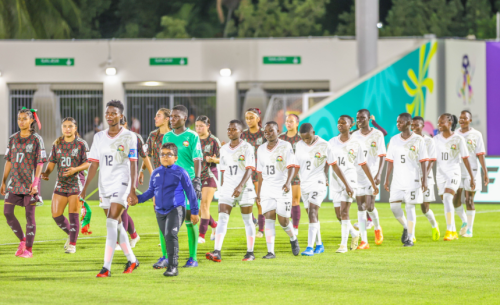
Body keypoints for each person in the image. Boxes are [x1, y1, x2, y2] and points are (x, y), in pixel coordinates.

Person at [80, 100, 139, 277]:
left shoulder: (130, 136)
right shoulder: (98, 137)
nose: (110, 116)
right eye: (107, 113)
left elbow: (134, 165)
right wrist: (84, 189)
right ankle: (132, 260)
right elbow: (93, 165)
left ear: (121, 115)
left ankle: (106, 267)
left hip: (122, 182)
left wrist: (133, 189)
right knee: (118, 225)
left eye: (114, 113)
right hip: (104, 184)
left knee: (111, 222)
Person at [129, 143, 199, 277]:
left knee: (170, 235)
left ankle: (173, 267)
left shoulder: (181, 172)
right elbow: (151, 192)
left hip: (176, 209)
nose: (165, 157)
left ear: (176, 157)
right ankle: (169, 262)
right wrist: (138, 199)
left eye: (169, 154)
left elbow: (191, 193)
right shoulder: (156, 173)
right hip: (160, 211)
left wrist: (194, 212)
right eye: (162, 154)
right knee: (167, 237)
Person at [296, 123, 353, 256]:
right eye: (303, 138)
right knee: (312, 216)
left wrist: (347, 185)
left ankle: (310, 248)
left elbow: (335, 166)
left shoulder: (325, 145)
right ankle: (319, 244)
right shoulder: (299, 145)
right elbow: (297, 165)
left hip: (318, 183)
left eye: (308, 138)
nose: (306, 141)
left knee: (312, 213)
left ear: (314, 132)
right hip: (304, 184)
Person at [205, 120, 257, 262]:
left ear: (241, 132)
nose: (230, 131)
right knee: (222, 219)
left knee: (247, 220)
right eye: (229, 129)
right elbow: (223, 170)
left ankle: (250, 252)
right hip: (228, 188)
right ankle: (217, 252)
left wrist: (240, 186)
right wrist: (222, 188)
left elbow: (249, 169)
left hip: (245, 188)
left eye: (234, 129)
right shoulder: (223, 149)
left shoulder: (247, 147)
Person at [328, 115, 379, 252]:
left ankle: (343, 245)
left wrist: (373, 184)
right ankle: (355, 233)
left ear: (351, 125)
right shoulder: (331, 142)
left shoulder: (357, 143)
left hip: (350, 179)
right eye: (338, 122)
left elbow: (363, 164)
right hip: (335, 181)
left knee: (345, 212)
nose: (340, 124)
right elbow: (328, 162)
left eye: (343, 123)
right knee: (339, 214)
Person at [1, 107, 46, 258]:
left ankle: (29, 250)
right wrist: (3, 181)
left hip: (29, 183)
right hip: (14, 182)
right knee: (7, 212)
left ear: (31, 120)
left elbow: (40, 163)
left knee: (29, 216)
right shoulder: (12, 138)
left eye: (24, 119)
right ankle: (22, 240)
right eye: (19, 118)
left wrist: (35, 183)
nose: (21, 121)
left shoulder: (36, 139)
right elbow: (8, 161)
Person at [162, 105, 203, 267]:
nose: (172, 119)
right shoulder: (166, 137)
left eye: (176, 117)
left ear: (185, 118)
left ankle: (193, 258)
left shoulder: (192, 136)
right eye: (171, 116)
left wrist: (197, 180)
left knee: (190, 218)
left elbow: (197, 159)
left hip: (187, 183)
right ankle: (166, 256)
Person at [41, 117, 90, 254]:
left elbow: (88, 163)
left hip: (76, 183)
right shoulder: (57, 143)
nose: (67, 129)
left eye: (70, 126)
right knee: (56, 215)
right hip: (61, 183)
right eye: (64, 126)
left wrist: (75, 169)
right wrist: (46, 172)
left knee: (73, 214)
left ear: (75, 128)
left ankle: (72, 245)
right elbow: (52, 162)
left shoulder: (81, 144)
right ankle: (72, 234)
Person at [256, 121, 300, 259]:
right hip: (267, 188)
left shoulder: (286, 146)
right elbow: (259, 172)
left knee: (283, 221)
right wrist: (258, 192)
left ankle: (293, 238)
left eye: (271, 131)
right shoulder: (261, 149)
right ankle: (271, 252)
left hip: (282, 187)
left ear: (278, 131)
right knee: (269, 217)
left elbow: (292, 166)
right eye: (265, 132)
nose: (267, 134)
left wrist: (288, 182)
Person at [384, 113, 428, 247]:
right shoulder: (394, 139)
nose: (398, 124)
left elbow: (423, 161)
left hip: (412, 180)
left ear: (409, 123)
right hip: (397, 180)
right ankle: (405, 226)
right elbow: (390, 161)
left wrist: (424, 179)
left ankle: (410, 237)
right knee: (394, 207)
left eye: (401, 122)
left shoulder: (419, 140)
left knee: (410, 207)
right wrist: (387, 179)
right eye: (397, 122)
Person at [433, 113, 475, 241]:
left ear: (450, 123)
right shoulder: (435, 139)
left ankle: (450, 230)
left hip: (454, 172)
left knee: (447, 197)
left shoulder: (458, 139)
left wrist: (472, 177)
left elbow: (466, 159)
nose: (439, 124)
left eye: (442, 122)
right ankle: (453, 231)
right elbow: (431, 159)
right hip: (440, 175)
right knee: (446, 201)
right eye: (438, 122)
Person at [116, 116, 153, 250]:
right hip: (114, 179)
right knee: (120, 210)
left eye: (120, 124)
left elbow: (145, 157)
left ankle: (121, 241)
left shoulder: (135, 137)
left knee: (122, 209)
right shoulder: (110, 137)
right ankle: (134, 235)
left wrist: (152, 174)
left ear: (126, 124)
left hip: (129, 178)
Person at [351, 109, 385, 247]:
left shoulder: (377, 134)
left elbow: (382, 155)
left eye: (362, 118)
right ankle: (364, 240)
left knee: (370, 206)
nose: (359, 120)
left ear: (369, 118)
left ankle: (377, 228)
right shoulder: (353, 135)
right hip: (357, 174)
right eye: (357, 118)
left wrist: (379, 174)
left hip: (372, 173)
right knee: (361, 206)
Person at [453, 110, 488, 237]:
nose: (462, 120)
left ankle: (469, 230)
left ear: (470, 120)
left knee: (469, 200)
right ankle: (464, 221)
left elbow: (480, 155)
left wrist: (485, 172)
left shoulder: (476, 135)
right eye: (460, 118)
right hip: (457, 171)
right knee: (455, 199)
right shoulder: (454, 134)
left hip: (472, 171)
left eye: (465, 118)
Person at [145, 108, 171, 269]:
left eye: (159, 116)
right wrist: (143, 171)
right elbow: (146, 154)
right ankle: (166, 255)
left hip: (173, 178)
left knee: (185, 217)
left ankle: (192, 256)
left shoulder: (174, 136)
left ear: (167, 119)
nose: (155, 118)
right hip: (157, 179)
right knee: (161, 217)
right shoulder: (152, 136)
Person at [411, 116, 440, 241]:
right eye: (412, 125)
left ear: (423, 126)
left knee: (425, 207)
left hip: (426, 178)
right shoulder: (408, 140)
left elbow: (432, 159)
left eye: (417, 125)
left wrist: (425, 176)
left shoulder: (429, 141)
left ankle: (434, 224)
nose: (414, 127)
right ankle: (411, 235)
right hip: (411, 178)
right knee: (410, 205)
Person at [241, 108, 266, 237]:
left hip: (260, 172)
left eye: (251, 117)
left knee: (259, 200)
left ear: (258, 119)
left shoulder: (264, 134)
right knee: (245, 200)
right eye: (247, 118)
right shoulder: (243, 135)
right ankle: (254, 220)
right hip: (246, 172)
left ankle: (261, 229)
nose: (249, 120)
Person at [195, 115, 220, 244]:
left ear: (208, 126)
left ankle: (201, 235)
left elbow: (222, 159)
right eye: (197, 126)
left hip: (210, 174)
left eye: (201, 126)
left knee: (204, 205)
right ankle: (215, 225)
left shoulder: (214, 141)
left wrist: (213, 159)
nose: (198, 128)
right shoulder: (193, 140)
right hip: (196, 176)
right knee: (198, 209)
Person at [279, 114, 302, 235]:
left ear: (297, 123)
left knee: (295, 201)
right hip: (283, 174)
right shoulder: (280, 138)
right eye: (287, 121)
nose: (288, 123)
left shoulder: (302, 138)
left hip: (297, 173)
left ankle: (295, 228)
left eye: (291, 121)